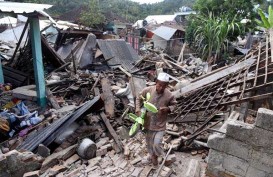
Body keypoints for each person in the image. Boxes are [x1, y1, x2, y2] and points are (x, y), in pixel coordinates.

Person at [135, 72, 177, 167]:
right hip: (148, 123)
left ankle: (159, 156)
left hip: (160, 125)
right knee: (149, 143)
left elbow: (175, 105)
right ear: (156, 82)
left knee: (157, 144)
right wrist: (137, 109)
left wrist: (168, 109)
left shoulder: (169, 95)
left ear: (167, 85)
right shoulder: (148, 90)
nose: (161, 88)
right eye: (159, 85)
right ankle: (152, 157)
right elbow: (138, 98)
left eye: (164, 86)